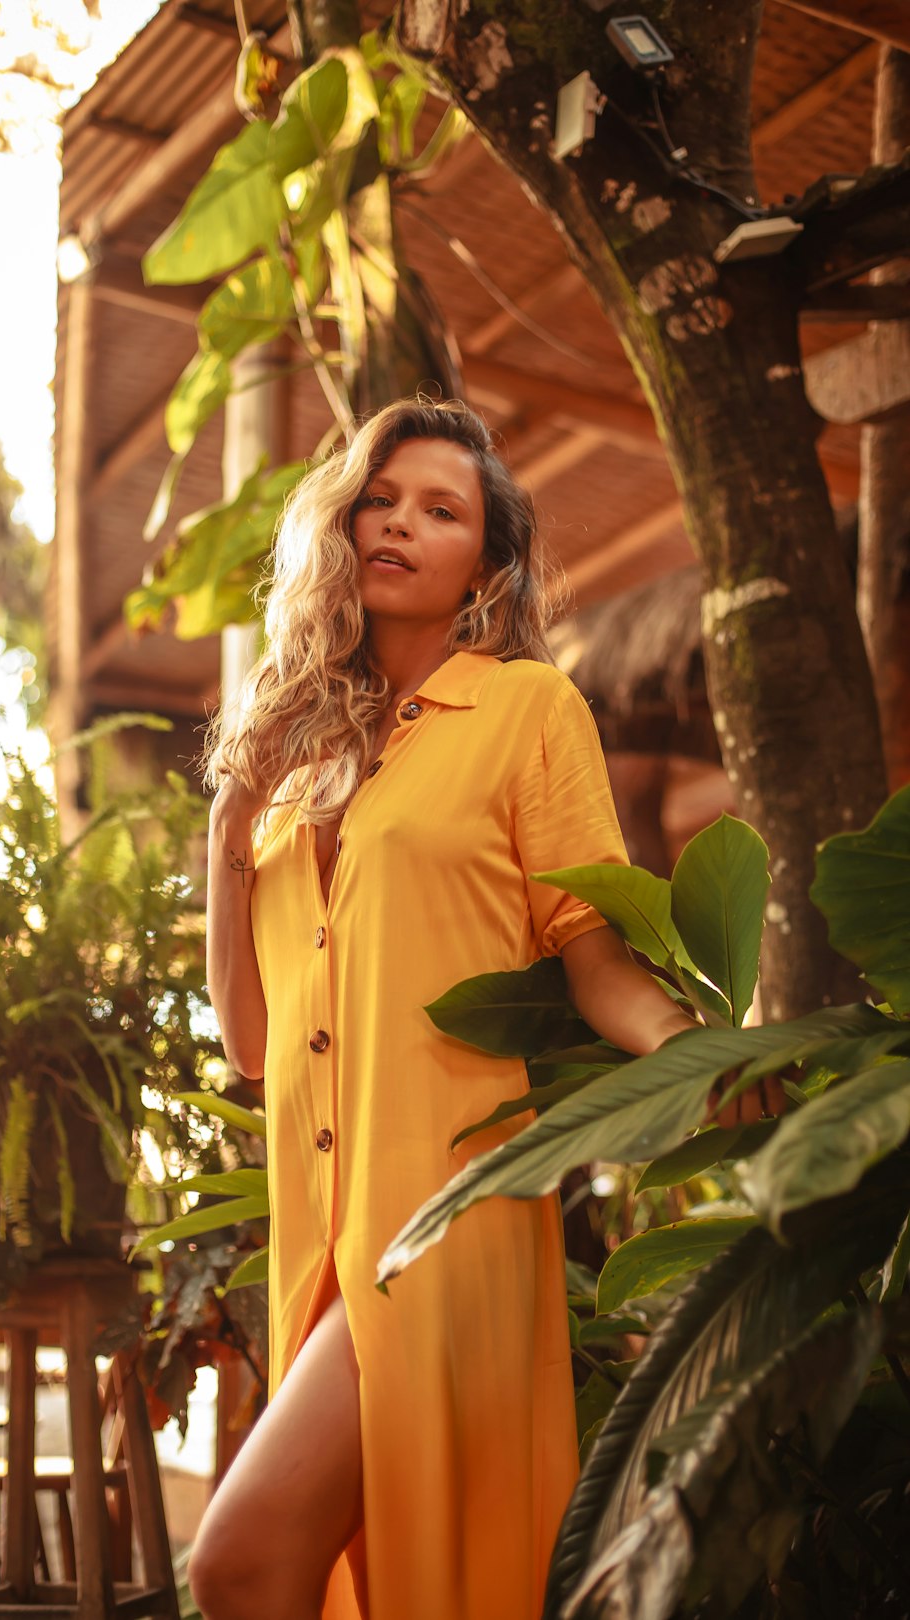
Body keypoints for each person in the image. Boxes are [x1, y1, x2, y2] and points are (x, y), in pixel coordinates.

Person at [190, 397, 778, 1620]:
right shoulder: (299, 756)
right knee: (326, 1570)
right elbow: (249, 1044)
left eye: (440, 510)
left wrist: (692, 1049)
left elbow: (588, 948)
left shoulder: (525, 710)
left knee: (238, 1559)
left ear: (487, 568)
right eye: (380, 500)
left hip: (445, 1214)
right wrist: (230, 826)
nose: (398, 523)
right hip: (321, 1230)